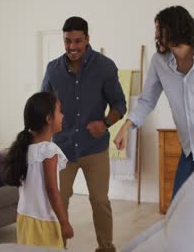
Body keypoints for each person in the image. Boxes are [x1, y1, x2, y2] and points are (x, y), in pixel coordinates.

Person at [114, 6, 194, 198]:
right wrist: (125, 127)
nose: (156, 35)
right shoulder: (159, 62)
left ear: (176, 28)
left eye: (159, 30)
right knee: (178, 207)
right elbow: (147, 100)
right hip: (189, 149)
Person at [41, 16, 126, 252]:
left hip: (94, 148)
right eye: (68, 41)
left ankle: (106, 248)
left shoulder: (105, 66)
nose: (72, 47)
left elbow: (120, 103)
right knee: (59, 202)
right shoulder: (53, 69)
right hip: (62, 149)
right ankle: (58, 248)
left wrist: (106, 122)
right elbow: (43, 106)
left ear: (87, 39)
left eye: (78, 41)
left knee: (100, 202)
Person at [0, 92, 73, 249]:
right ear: (48, 119)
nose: (63, 116)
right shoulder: (48, 150)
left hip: (25, 218)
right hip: (43, 221)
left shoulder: (25, 148)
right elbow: (52, 190)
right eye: (59, 111)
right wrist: (64, 222)